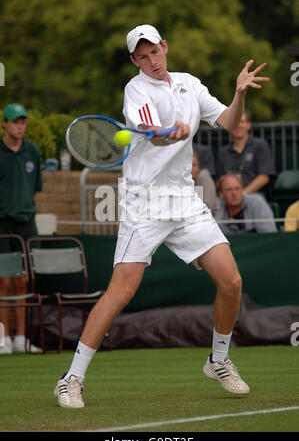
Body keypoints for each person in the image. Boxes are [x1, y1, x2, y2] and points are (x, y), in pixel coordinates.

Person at [54, 24, 270, 408]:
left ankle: (218, 360)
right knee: (122, 290)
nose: (151, 61)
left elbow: (230, 122)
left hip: (185, 200)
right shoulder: (135, 89)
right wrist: (171, 131)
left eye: (155, 52)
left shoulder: (190, 83)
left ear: (165, 48)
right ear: (134, 60)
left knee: (232, 281)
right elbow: (152, 132)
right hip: (145, 202)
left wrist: (238, 95)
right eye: (142, 56)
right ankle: (71, 378)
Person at [0, 103, 43, 354]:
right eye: (15, 121)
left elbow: (36, 187)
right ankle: (3, 338)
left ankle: (21, 339)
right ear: (4, 124)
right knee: (3, 282)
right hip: (2, 224)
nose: (20, 126)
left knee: (24, 282)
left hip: (27, 223)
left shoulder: (32, 151)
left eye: (23, 122)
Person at [216, 111, 276, 198]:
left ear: (248, 125)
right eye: (235, 122)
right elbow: (219, 181)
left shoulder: (260, 145)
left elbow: (264, 177)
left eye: (242, 122)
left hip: (254, 196)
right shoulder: (223, 152)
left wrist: (242, 194)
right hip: (228, 199)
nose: (238, 125)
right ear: (228, 126)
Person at [192, 150, 220, 216]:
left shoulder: (203, 177)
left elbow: (206, 208)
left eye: (194, 165)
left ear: (199, 167)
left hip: (212, 220)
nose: (191, 168)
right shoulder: (181, 181)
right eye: (187, 165)